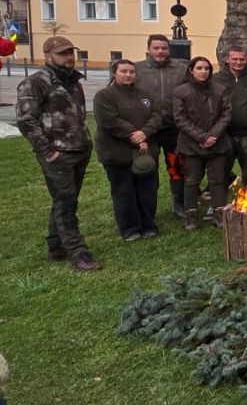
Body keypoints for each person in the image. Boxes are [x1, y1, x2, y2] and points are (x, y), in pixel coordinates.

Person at [16, 36, 101, 271]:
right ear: (48, 56)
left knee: (65, 200)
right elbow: (26, 121)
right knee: (66, 202)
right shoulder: (35, 83)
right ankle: (78, 253)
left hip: (79, 149)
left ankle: (56, 246)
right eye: (63, 53)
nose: (69, 57)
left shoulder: (74, 82)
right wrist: (48, 152)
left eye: (70, 52)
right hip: (57, 153)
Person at [93, 59, 162, 241]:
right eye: (123, 71)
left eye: (131, 71)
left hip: (145, 151)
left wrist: (144, 133)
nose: (128, 75)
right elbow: (109, 121)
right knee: (124, 192)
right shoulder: (104, 96)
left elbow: (156, 115)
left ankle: (148, 224)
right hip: (117, 152)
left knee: (148, 190)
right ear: (114, 73)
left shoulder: (144, 94)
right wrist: (135, 136)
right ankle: (130, 228)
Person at [173, 56, 232, 231]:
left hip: (217, 143)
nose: (203, 71)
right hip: (192, 145)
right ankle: (191, 215)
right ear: (191, 70)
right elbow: (180, 118)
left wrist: (213, 135)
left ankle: (218, 213)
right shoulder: (180, 91)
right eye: (199, 68)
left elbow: (226, 114)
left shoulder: (220, 90)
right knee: (191, 181)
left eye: (206, 68)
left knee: (217, 180)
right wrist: (201, 137)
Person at [134, 33, 188, 218]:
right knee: (149, 168)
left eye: (164, 48)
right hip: (148, 130)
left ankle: (179, 204)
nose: (160, 51)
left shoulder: (181, 69)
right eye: (156, 48)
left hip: (174, 129)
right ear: (148, 49)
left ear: (169, 49)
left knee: (177, 169)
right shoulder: (136, 70)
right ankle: (148, 208)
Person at [213, 45, 247, 186]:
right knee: (221, 168)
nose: (238, 62)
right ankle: (218, 200)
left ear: (246, 60)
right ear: (227, 59)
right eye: (235, 59)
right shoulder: (216, 79)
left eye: (241, 59)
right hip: (224, 133)